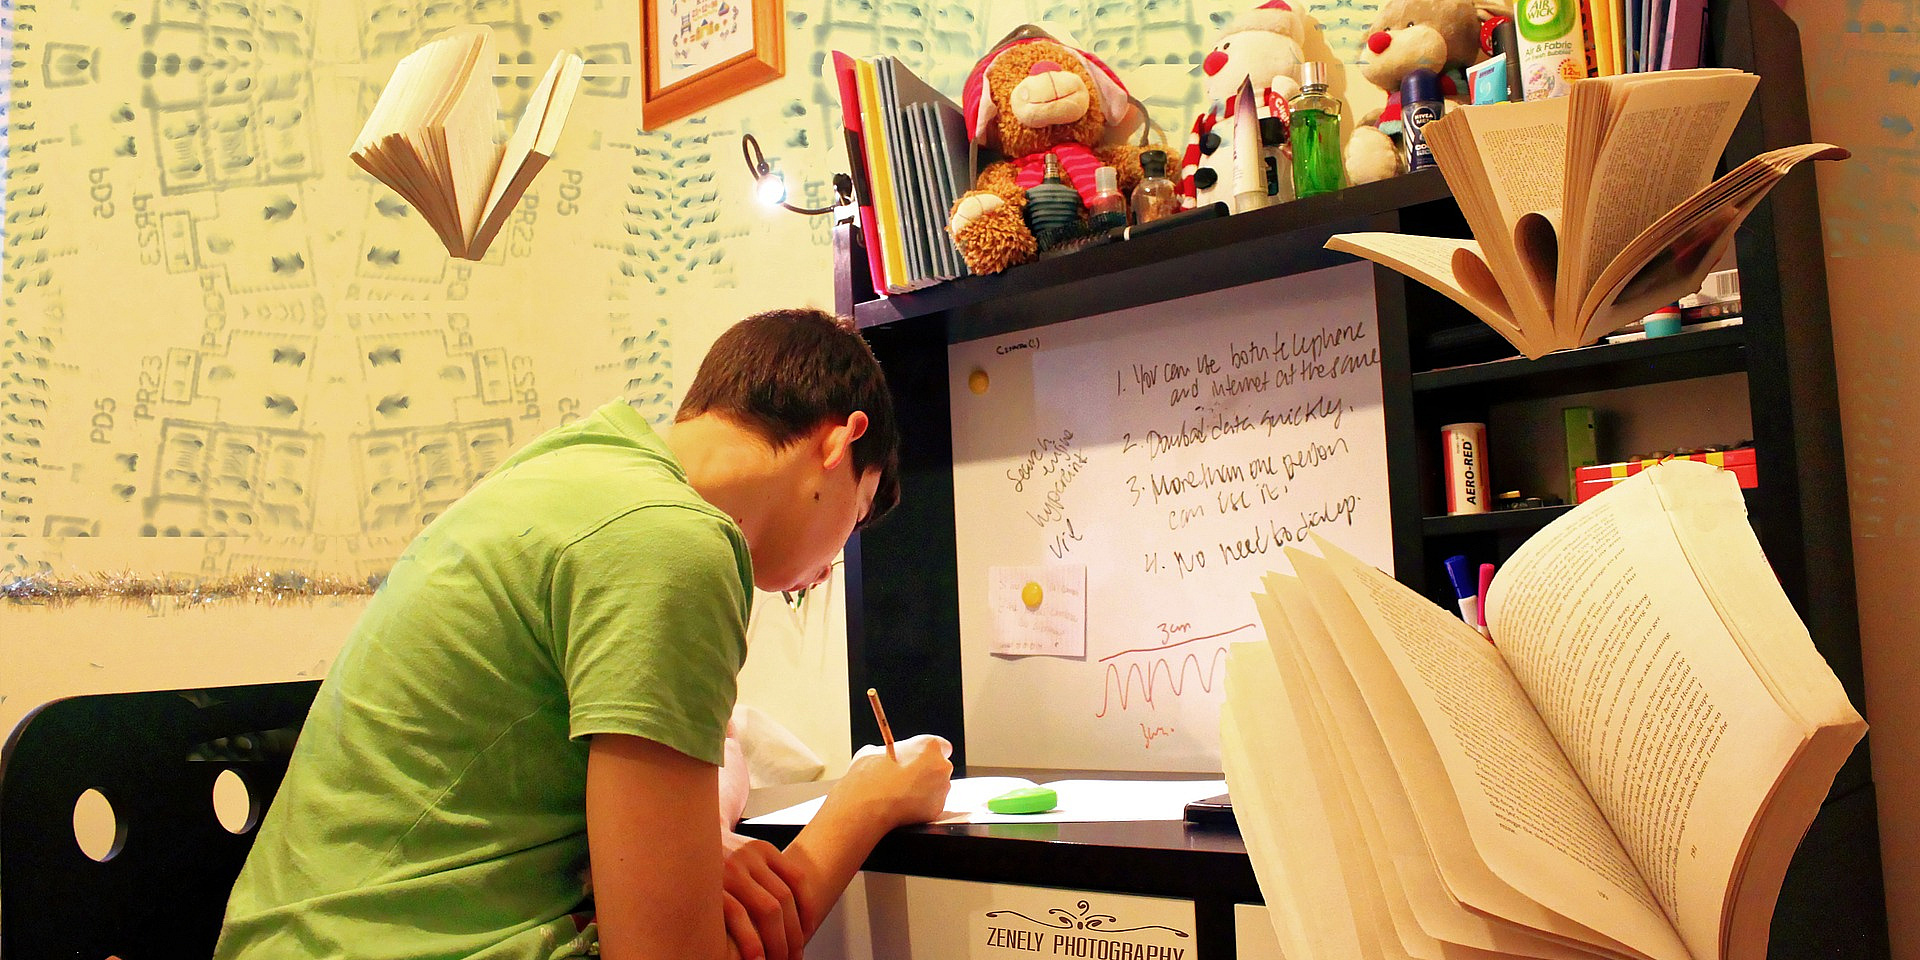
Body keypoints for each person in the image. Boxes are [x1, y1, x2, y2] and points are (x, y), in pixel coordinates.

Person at [214, 307, 955, 960]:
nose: (828, 571)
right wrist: (865, 805)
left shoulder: (576, 469)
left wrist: (704, 852)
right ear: (839, 442)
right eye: (852, 523)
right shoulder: (675, 544)